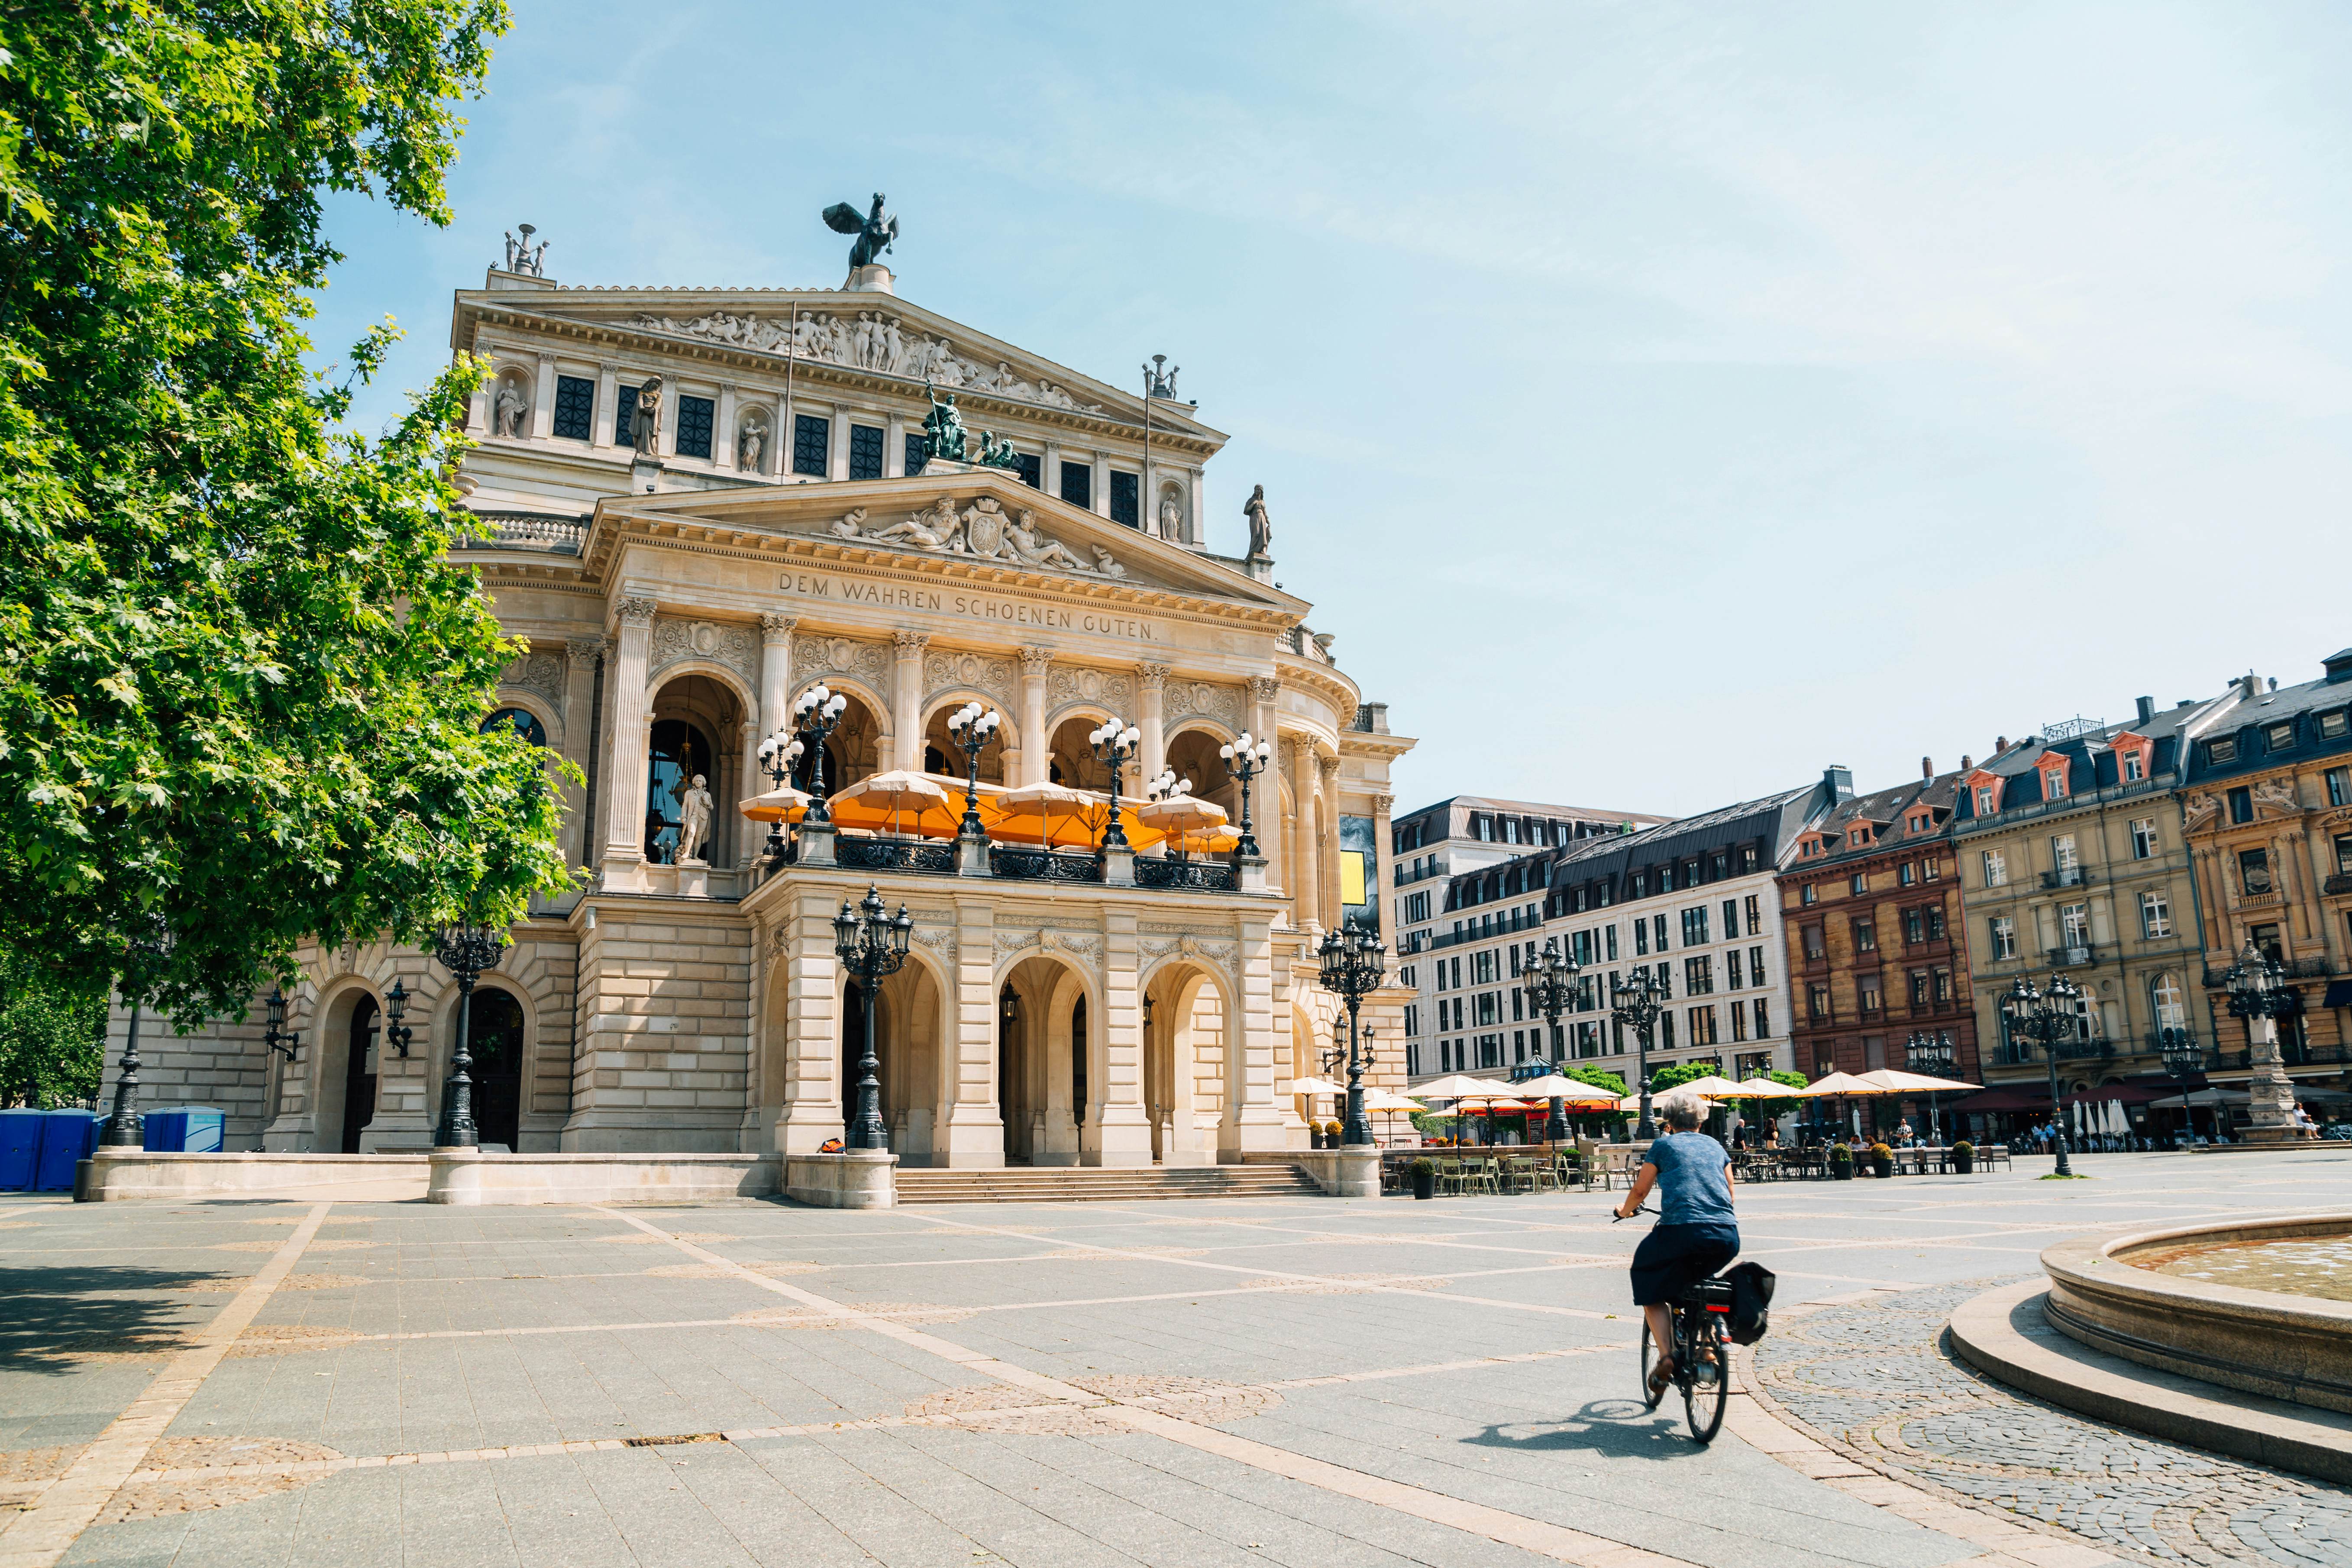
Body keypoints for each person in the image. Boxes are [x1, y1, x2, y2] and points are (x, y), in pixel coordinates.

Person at [1614, 1089, 1739, 1398]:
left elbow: (1641, 1191)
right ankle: (1708, 1347)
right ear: (1701, 1119)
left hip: (1681, 1230)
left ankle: (1668, 1355)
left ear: (1668, 1120)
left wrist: (1624, 1210)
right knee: (1704, 1282)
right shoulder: (1716, 1146)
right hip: (1726, 1234)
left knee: (1647, 1278)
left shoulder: (1664, 1145)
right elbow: (1730, 1192)